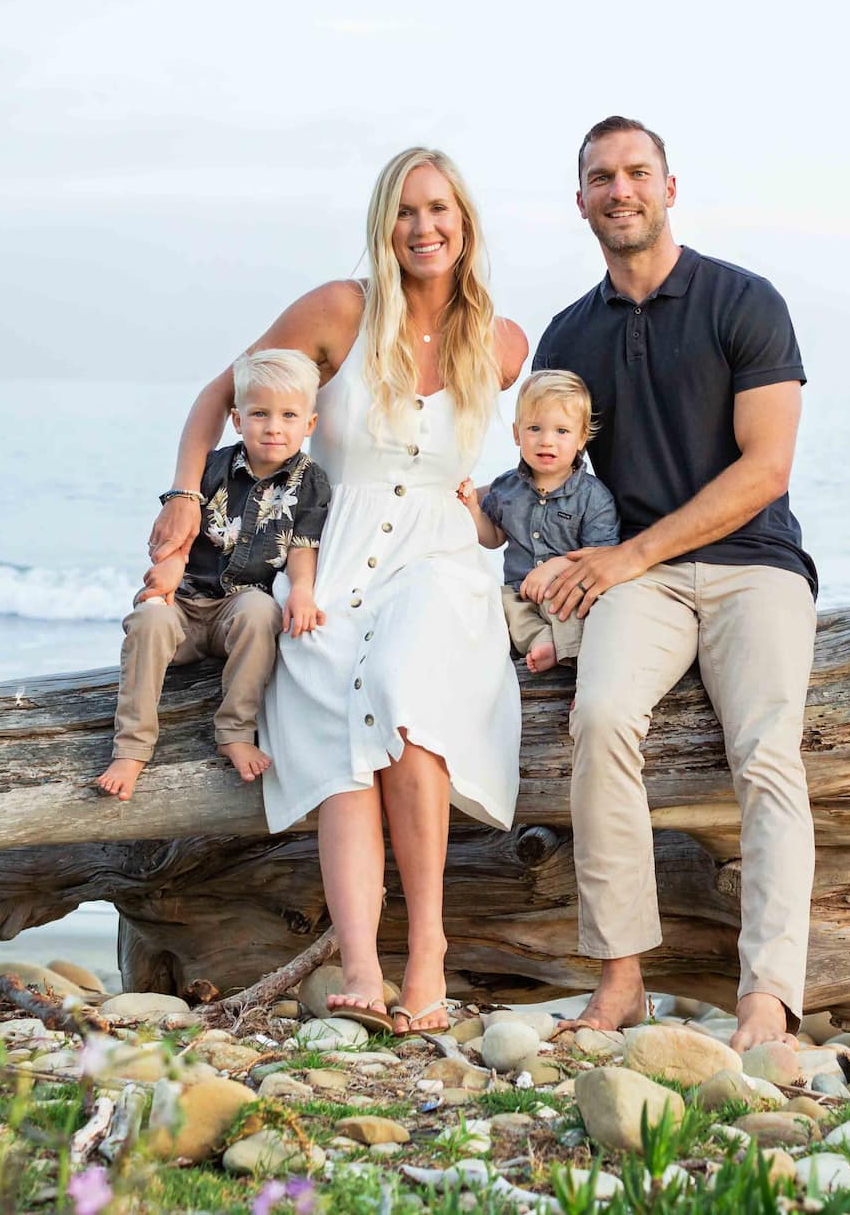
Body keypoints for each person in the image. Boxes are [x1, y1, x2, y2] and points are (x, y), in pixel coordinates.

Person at [146, 147, 527, 1033]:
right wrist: (182, 495)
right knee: (325, 689)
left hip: (438, 558)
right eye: (405, 211)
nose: (424, 227)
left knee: (399, 693)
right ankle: (361, 963)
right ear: (383, 226)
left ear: (465, 222)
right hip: (332, 548)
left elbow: (563, 440)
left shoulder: (502, 343)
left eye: (439, 209)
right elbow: (220, 393)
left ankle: (426, 948)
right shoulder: (339, 312)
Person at [534, 116, 818, 1054]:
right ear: (580, 200)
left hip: (756, 566)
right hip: (640, 585)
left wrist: (626, 556)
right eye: (602, 177)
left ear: (669, 185)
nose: (621, 189)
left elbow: (765, 467)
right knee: (601, 717)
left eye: (637, 172)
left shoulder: (745, 299)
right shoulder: (568, 335)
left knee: (768, 754)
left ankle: (766, 1000)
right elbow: (551, 477)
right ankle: (620, 980)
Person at [97, 348, 330, 801]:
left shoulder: (310, 480)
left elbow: (304, 546)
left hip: (237, 613)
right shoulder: (212, 468)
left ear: (310, 424)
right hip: (185, 604)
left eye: (288, 415)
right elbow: (181, 537)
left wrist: (302, 590)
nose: (274, 426)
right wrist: (164, 578)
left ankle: (235, 732)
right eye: (260, 413)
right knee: (148, 621)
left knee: (262, 610)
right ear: (238, 420)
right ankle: (132, 747)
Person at [461, 369, 620, 673]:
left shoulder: (593, 497)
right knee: (495, 603)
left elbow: (602, 556)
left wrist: (556, 567)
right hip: (520, 595)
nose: (547, 441)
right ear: (516, 433)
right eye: (535, 428)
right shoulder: (506, 488)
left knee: (586, 612)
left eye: (562, 431)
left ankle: (577, 662)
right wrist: (472, 509)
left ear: (581, 437)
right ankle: (543, 641)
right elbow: (493, 536)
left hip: (566, 594)